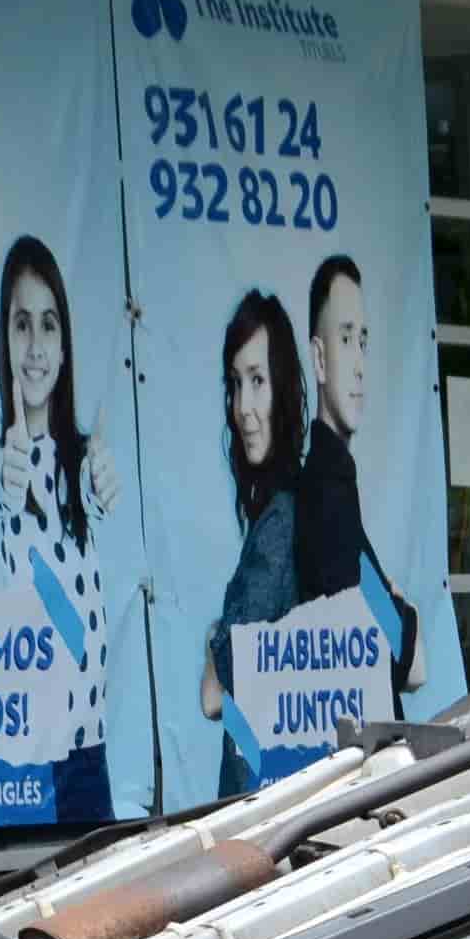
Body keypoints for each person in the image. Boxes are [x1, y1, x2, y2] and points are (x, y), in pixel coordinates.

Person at [0, 237, 124, 828]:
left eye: (48, 325)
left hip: (89, 753)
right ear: (5, 342)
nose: (35, 346)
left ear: (65, 346)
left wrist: (100, 484)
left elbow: (98, 490)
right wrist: (12, 476)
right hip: (27, 762)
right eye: (20, 325)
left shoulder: (86, 458)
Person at [291, 255, 424, 704]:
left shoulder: (335, 484)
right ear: (319, 358)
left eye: (363, 340)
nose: (360, 363)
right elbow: (408, 662)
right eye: (345, 338)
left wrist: (397, 611)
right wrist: (403, 609)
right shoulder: (324, 493)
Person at [201, 288, 303, 799]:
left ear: (283, 389)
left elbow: (217, 694)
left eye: (257, 381)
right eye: (235, 383)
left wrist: (216, 642)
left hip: (264, 794)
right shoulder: (280, 511)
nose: (242, 407)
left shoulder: (281, 519)